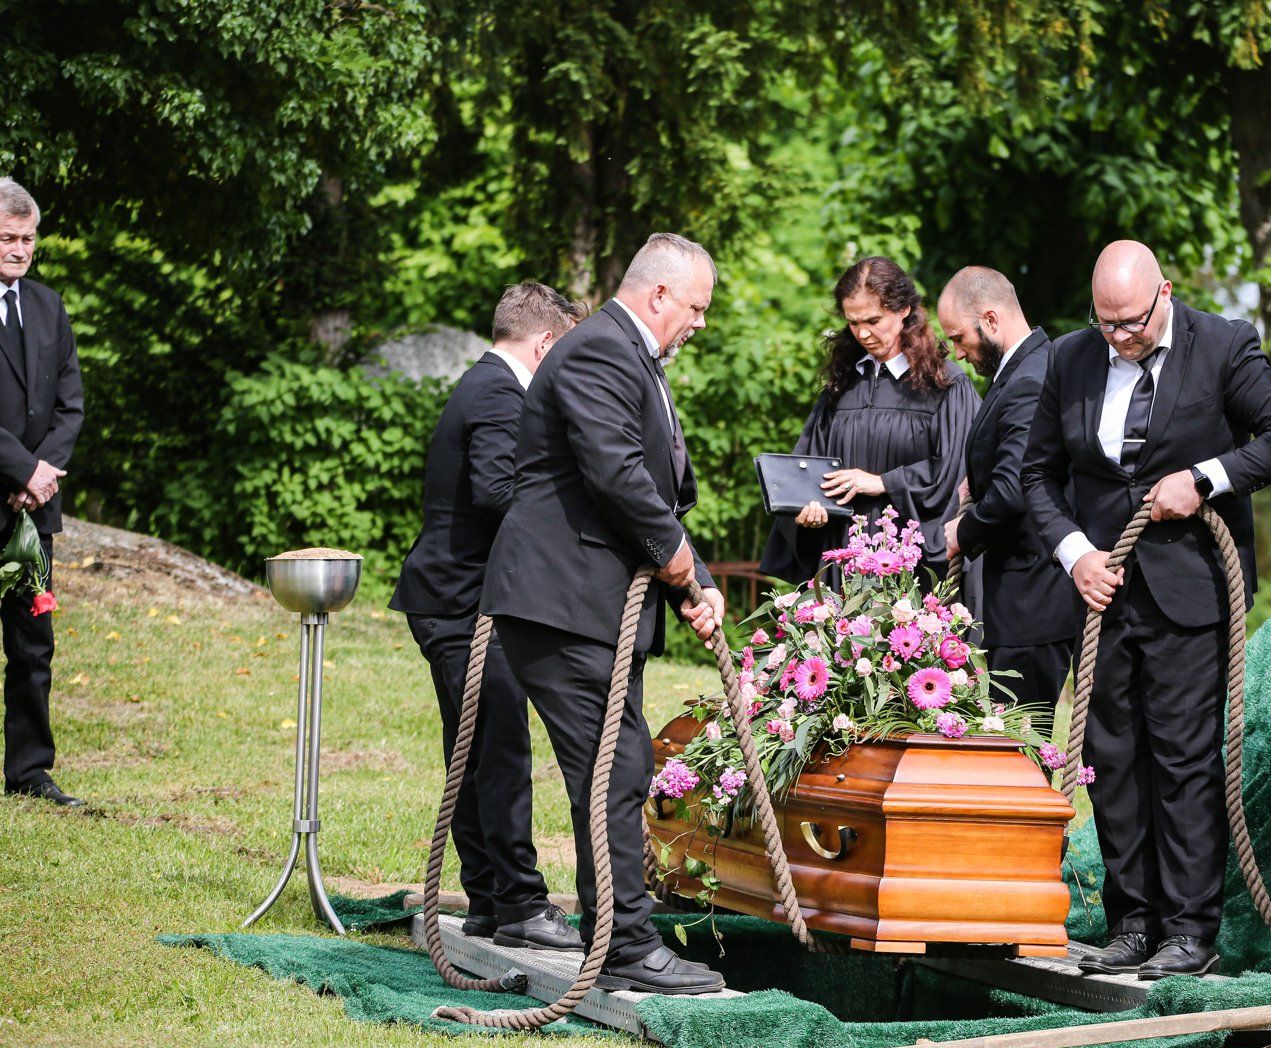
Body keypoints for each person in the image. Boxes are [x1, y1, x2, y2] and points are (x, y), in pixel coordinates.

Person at [1022, 240, 1271, 979]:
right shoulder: (1070, 359)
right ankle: (1132, 922)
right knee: (1111, 760)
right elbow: (1036, 475)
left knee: (1181, 760)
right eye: (1105, 323)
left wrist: (1207, 478)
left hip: (1190, 593)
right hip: (1103, 595)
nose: (1118, 338)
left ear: (1166, 293)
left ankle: (1189, 929)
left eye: (1130, 322)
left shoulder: (1223, 346)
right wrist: (1075, 553)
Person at [481, 233, 727, 995]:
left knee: (616, 764)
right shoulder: (600, 350)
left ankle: (616, 931)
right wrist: (679, 561)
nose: (699, 324)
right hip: (562, 602)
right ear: (658, 295)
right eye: (696, 308)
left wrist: (699, 580)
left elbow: (656, 489)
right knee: (615, 765)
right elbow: (617, 471)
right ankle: (623, 945)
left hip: (584, 600)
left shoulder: (626, 354)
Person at [390, 281, 577, 949]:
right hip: (463, 601)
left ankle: (489, 900)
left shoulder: (486, 383)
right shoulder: (500, 392)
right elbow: (499, 490)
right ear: (545, 342)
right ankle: (521, 903)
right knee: (498, 750)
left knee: (473, 751)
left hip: (451, 596)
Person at [759, 256, 977, 585]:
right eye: (853, 322)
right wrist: (806, 510)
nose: (863, 333)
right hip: (843, 560)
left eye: (874, 320)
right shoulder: (841, 388)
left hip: (911, 565)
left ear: (904, 310)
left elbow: (958, 474)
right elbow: (810, 467)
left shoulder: (945, 385)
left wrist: (883, 483)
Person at [935, 266, 1074, 715]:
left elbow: (1016, 489)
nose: (957, 353)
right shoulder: (1025, 368)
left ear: (991, 320)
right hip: (1021, 596)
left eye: (959, 337)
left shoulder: (1030, 379)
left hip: (1032, 598)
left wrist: (963, 531)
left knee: (1022, 745)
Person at [0, 179, 83, 808]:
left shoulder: (50, 306)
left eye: (26, 238)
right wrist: (21, 469)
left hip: (34, 511)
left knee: (33, 644)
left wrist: (42, 476)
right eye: (7, 237)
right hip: (8, 489)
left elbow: (70, 406)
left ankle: (29, 769)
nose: (18, 249)